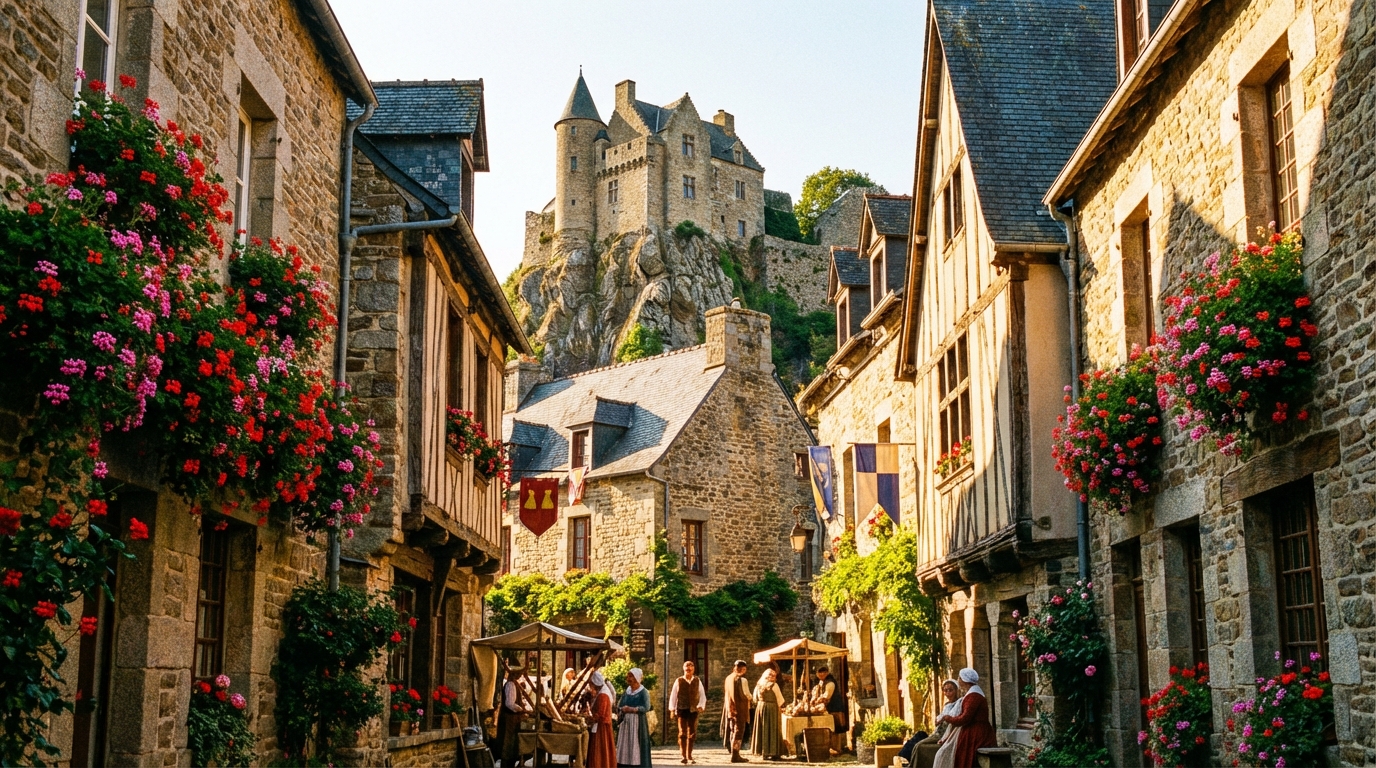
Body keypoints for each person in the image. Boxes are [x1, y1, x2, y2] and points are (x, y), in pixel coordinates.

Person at [934, 669, 996, 768]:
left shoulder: (974, 696)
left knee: (955, 754)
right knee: (947, 752)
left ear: (965, 680)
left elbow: (965, 718)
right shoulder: (971, 694)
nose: (958, 680)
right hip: (972, 730)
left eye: (959, 677)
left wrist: (948, 718)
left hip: (977, 733)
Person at [905, 679, 959, 768]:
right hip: (938, 732)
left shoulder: (958, 703)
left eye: (951, 690)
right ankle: (911, 765)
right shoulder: (946, 705)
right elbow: (940, 717)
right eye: (945, 690)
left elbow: (952, 717)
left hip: (945, 734)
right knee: (917, 744)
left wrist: (943, 719)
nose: (948, 693)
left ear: (956, 690)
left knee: (919, 746)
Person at [669, 661, 708, 764]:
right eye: (687, 667)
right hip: (682, 709)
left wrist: (701, 705)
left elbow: (702, 694)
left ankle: (689, 755)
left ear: (693, 669)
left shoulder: (697, 681)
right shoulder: (679, 681)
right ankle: (683, 755)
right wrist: (672, 709)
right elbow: (673, 695)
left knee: (692, 733)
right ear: (683, 669)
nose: (689, 669)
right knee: (682, 732)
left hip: (693, 710)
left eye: (691, 667)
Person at [496, 666, 533, 768]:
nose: (520, 676)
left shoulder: (514, 684)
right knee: (508, 741)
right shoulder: (511, 685)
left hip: (513, 718)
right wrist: (522, 709)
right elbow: (510, 704)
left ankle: (512, 762)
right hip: (509, 718)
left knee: (513, 742)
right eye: (519, 674)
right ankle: (506, 764)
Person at [615, 668, 652, 768]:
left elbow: (646, 707)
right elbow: (620, 704)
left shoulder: (643, 692)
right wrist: (621, 709)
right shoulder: (627, 691)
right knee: (625, 746)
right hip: (626, 724)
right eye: (628, 676)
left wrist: (632, 709)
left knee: (636, 745)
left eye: (630, 676)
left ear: (636, 678)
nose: (628, 678)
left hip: (637, 723)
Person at [721, 660, 754, 763]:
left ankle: (733, 753)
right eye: (743, 669)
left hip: (730, 708)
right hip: (740, 708)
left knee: (732, 730)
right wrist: (751, 698)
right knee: (739, 731)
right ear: (742, 668)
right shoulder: (742, 680)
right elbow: (747, 694)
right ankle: (735, 755)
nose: (744, 671)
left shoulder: (728, 678)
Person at [750, 668, 786, 760]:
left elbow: (754, 698)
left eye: (774, 676)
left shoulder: (759, 685)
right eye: (772, 675)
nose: (773, 677)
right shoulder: (774, 685)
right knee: (773, 728)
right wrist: (782, 707)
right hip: (772, 708)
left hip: (761, 707)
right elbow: (780, 699)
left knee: (763, 728)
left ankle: (764, 752)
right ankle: (774, 752)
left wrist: (761, 703)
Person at [586, 671, 616, 768]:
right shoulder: (601, 692)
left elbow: (600, 714)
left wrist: (589, 719)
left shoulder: (603, 695)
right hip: (601, 725)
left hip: (601, 728)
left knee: (599, 750)